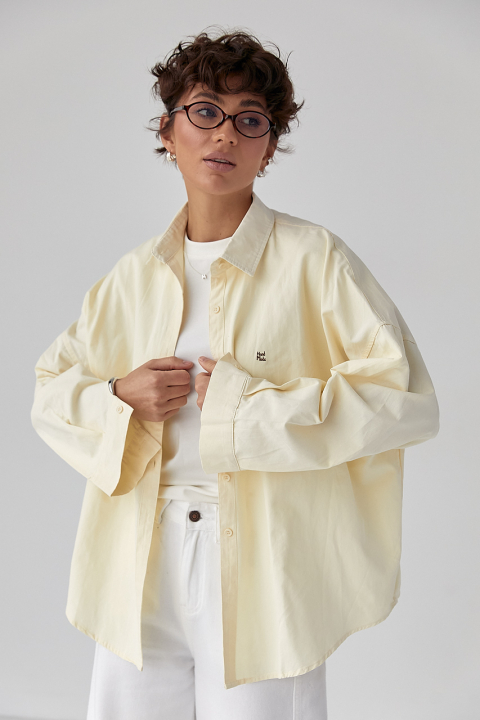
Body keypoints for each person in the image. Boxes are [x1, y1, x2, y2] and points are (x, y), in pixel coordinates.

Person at [30, 29, 440, 720]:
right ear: (168, 132)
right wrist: (118, 396)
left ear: (269, 147)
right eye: (205, 112)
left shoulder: (316, 260)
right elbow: (50, 391)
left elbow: (403, 397)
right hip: (137, 555)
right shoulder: (130, 278)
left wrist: (246, 409)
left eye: (251, 120)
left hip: (263, 559)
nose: (225, 134)